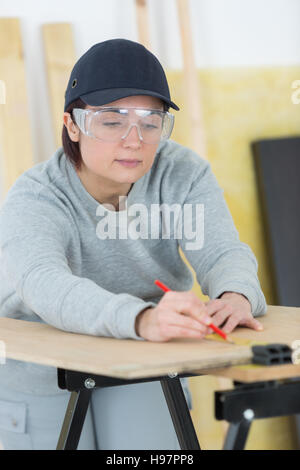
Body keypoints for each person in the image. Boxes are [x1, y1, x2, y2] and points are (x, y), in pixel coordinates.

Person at [0, 38, 267, 450]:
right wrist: (141, 318)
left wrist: (236, 294)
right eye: (111, 121)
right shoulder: (36, 195)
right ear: (73, 124)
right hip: (43, 371)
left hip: (145, 357)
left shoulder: (183, 173)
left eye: (150, 121)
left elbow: (222, 252)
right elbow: (43, 282)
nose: (134, 139)